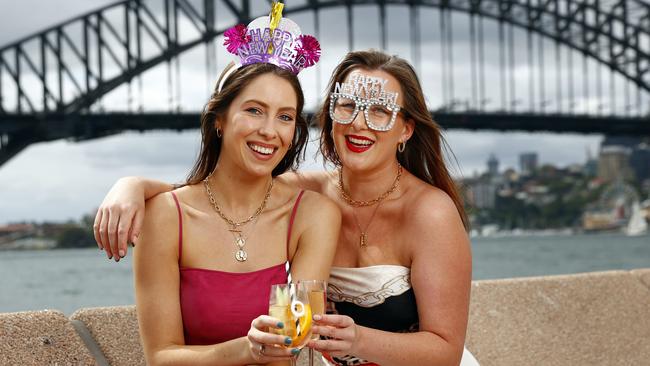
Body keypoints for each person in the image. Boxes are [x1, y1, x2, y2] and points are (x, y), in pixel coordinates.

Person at [95, 49, 475, 365]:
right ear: (331, 117)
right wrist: (134, 186)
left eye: (380, 111)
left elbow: (447, 349)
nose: (360, 123)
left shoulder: (430, 212)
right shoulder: (309, 194)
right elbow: (218, 194)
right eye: (347, 106)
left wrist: (359, 340)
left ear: (406, 129)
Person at [115, 6, 342, 365]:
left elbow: (289, 344)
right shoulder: (165, 216)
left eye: (285, 117)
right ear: (219, 119)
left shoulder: (315, 216)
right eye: (254, 110)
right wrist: (244, 349)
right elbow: (160, 357)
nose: (269, 130)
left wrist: (267, 346)